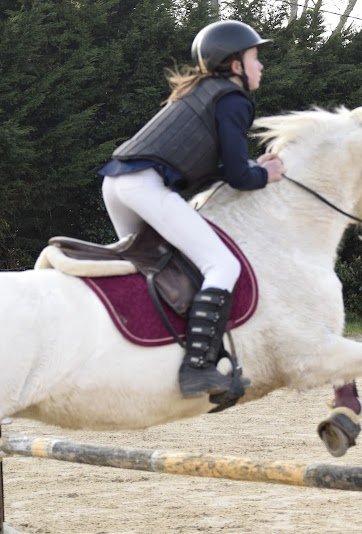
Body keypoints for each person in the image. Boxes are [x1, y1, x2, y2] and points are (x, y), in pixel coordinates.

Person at [97, 20, 286, 400]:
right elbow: (236, 175)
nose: (261, 66)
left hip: (117, 183)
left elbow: (211, 166)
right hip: (144, 185)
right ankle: (197, 368)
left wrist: (253, 168)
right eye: (255, 58)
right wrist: (265, 174)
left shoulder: (202, 92)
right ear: (235, 65)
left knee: (158, 266)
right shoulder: (232, 99)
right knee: (223, 265)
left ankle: (150, 353)